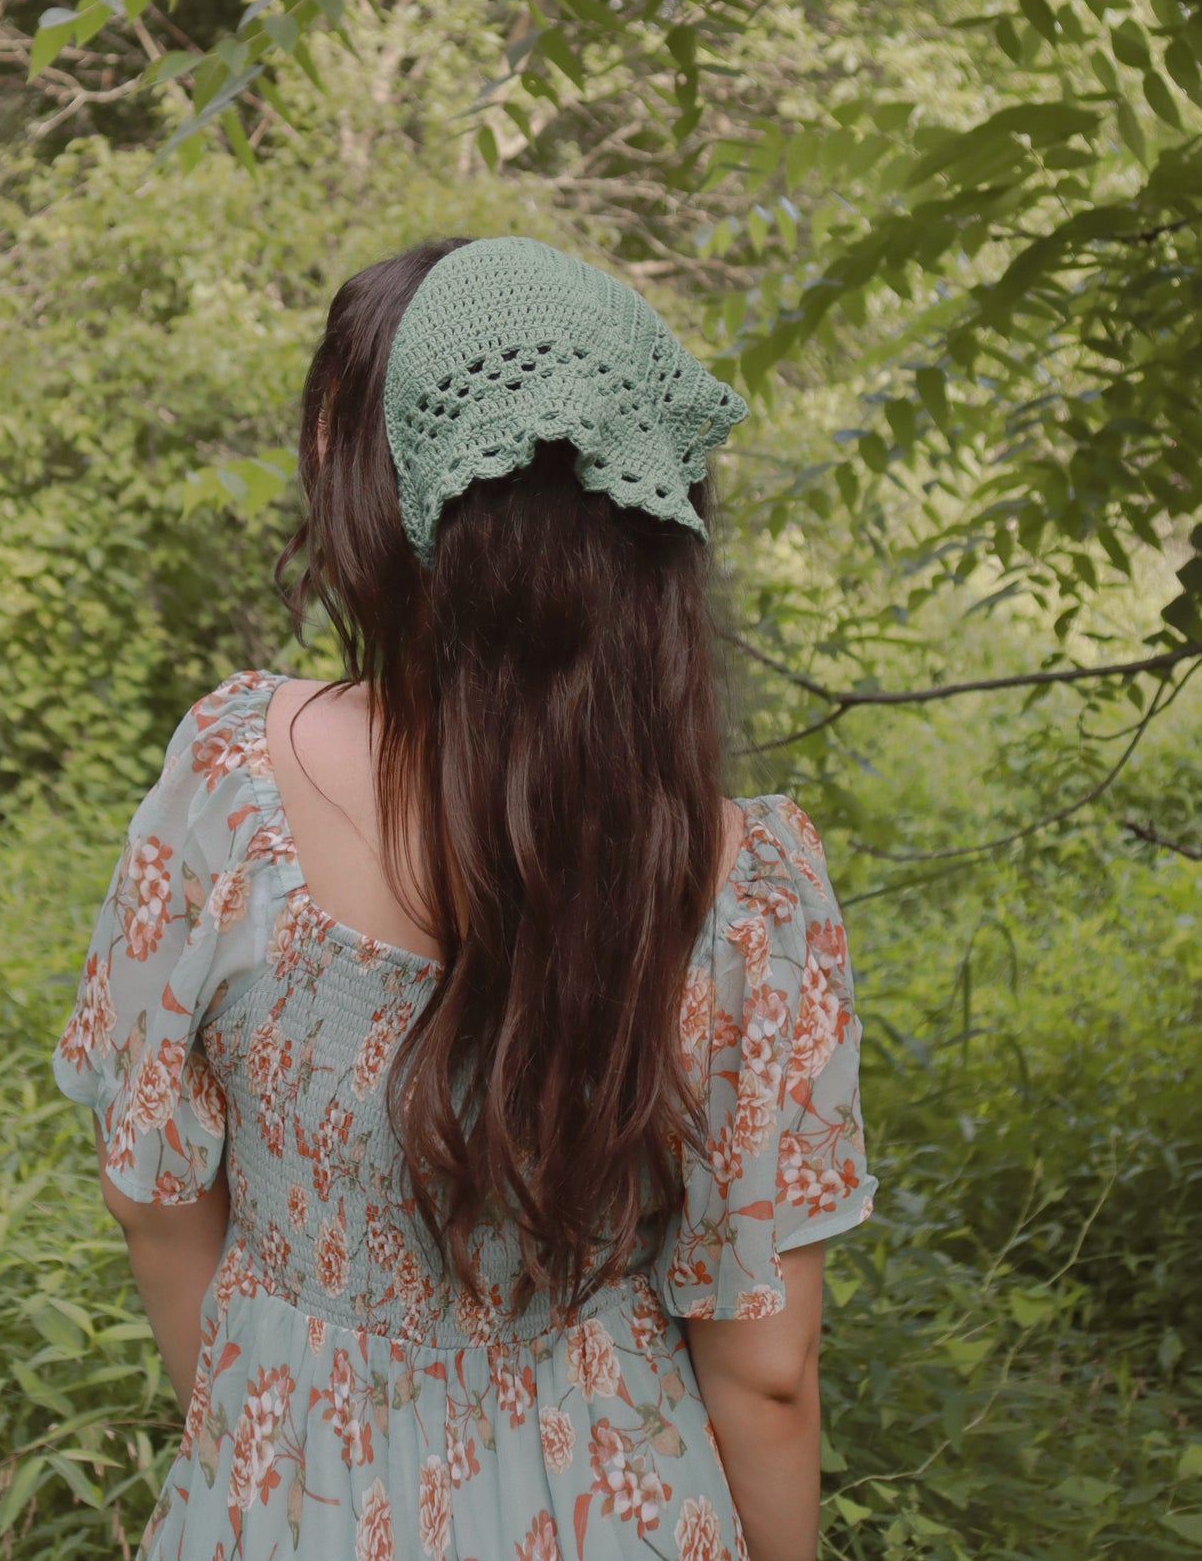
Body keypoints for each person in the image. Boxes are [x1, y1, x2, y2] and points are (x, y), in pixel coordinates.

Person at [52, 235, 877, 1561]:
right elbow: (764, 1365)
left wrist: (273, 1426)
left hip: (286, 1497)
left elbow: (152, 1190)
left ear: (389, 493)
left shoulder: (230, 780)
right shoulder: (748, 884)